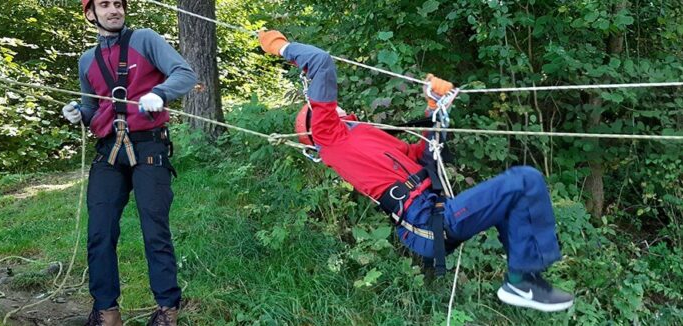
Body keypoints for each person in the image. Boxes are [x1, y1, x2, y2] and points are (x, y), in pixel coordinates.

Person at [258, 30, 574, 312]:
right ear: (318, 124)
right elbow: (320, 62)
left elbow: (427, 157)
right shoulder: (331, 140)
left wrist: (434, 110)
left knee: (515, 198)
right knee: (524, 180)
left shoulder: (364, 137)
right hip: (424, 222)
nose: (334, 106)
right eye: (325, 109)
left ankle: (523, 278)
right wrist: (279, 46)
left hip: (434, 213)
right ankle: (521, 282)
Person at [61, 1, 197, 325]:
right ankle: (106, 312)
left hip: (149, 145)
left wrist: (161, 93)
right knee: (99, 231)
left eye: (118, 4)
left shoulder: (145, 40)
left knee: (155, 231)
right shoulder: (87, 61)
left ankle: (167, 311)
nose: (114, 11)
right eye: (105, 5)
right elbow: (92, 108)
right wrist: (79, 114)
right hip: (109, 151)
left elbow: (185, 74)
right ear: (90, 13)